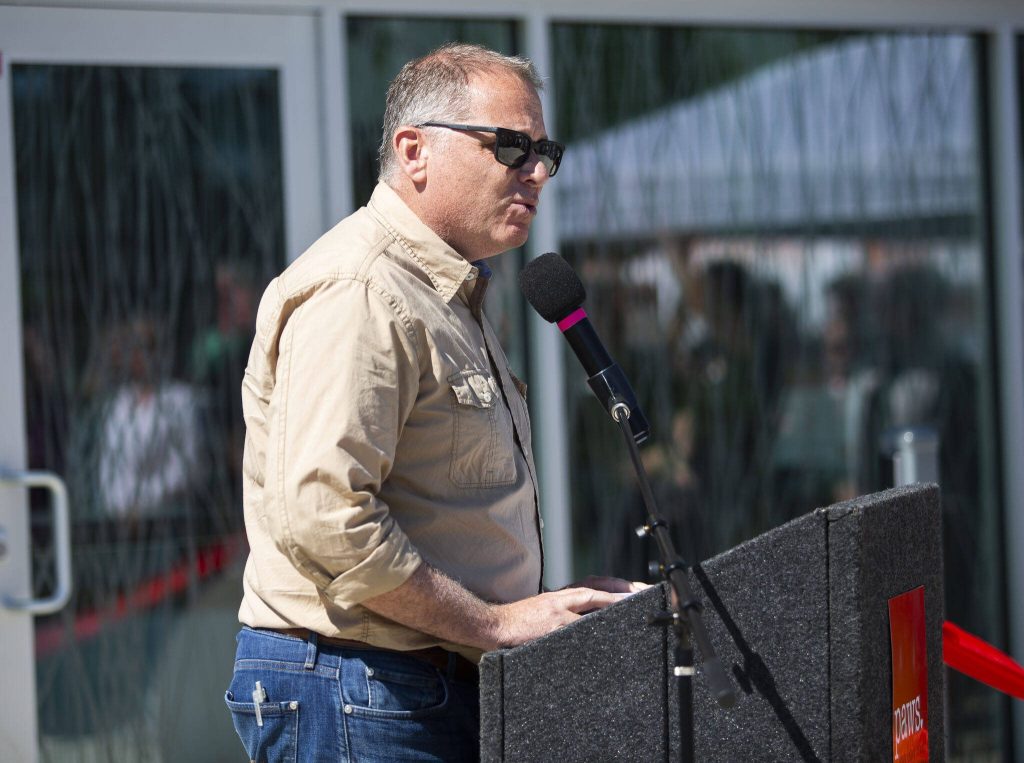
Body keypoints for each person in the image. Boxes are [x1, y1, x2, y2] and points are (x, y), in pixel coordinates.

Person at [225, 43, 642, 762]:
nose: (537, 171)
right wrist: (496, 621)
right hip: (359, 685)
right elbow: (327, 519)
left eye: (546, 150)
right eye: (511, 146)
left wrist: (527, 607)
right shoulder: (363, 288)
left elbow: (441, 507)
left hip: (404, 684)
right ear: (413, 150)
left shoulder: (446, 288)